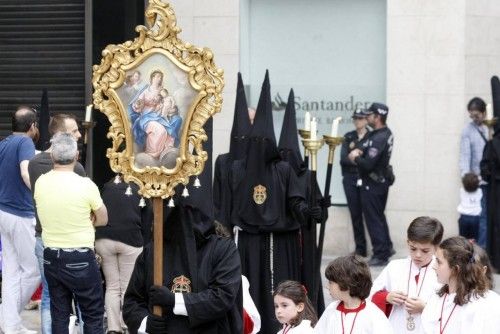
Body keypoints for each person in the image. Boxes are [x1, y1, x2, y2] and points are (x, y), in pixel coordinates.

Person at [229, 71, 321, 334]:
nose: (258, 147)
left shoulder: (282, 169)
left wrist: (307, 211)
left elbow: (295, 200)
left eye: (263, 142)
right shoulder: (237, 169)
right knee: (253, 289)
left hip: (281, 243)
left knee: (281, 290)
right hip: (250, 242)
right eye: (254, 142)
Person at [122, 193, 243, 334]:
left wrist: (175, 300)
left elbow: (223, 296)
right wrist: (145, 322)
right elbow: (132, 301)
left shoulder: (223, 249)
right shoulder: (153, 251)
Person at [34, 133, 108, 334]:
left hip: (51, 257)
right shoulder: (86, 185)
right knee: (92, 314)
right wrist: (89, 218)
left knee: (59, 314)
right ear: (77, 155)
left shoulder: (41, 183)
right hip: (80, 258)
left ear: (52, 157)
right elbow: (103, 219)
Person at [28, 113, 85, 334]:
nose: (79, 135)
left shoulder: (34, 164)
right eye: (74, 131)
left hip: (44, 236)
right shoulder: (76, 169)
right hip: (72, 238)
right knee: (80, 295)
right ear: (61, 136)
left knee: (49, 295)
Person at [278, 88, 328, 313]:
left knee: (307, 280)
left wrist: (319, 212)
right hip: (283, 243)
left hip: (304, 241)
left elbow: (319, 210)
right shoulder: (275, 177)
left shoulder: (307, 176)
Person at [0, 106, 41, 334]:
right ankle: (7, 317)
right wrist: (41, 192)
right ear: (32, 126)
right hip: (19, 214)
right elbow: (25, 171)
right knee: (33, 270)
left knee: (12, 272)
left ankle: (11, 324)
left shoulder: (3, 144)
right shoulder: (25, 143)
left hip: (3, 212)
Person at [95, 176, 153, 334]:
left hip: (103, 239)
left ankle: (113, 328)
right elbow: (147, 223)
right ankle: (126, 323)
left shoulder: (106, 186)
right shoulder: (141, 188)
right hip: (130, 240)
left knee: (112, 286)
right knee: (128, 286)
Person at [370, 216, 444, 333]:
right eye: (413, 248)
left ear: (436, 247)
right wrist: (387, 298)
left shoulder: (442, 271)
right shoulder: (394, 267)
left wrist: (425, 308)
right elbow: (370, 295)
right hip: (396, 327)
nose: (418, 255)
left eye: (425, 251)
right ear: (408, 242)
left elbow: (451, 307)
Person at [421, 236, 500, 333]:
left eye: (439, 262)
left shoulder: (486, 303)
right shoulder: (436, 298)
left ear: (456, 270)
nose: (433, 266)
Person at [348, 102, 394, 266]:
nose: (367, 117)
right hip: (376, 182)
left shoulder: (381, 136)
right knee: (378, 217)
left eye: (370, 115)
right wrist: (359, 150)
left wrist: (356, 157)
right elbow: (363, 146)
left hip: (374, 183)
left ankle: (380, 254)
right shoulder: (378, 134)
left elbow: (368, 164)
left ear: (378, 117)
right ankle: (386, 248)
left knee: (374, 219)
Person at [313, 255, 393, 333]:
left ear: (345, 284)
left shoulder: (374, 315)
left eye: (331, 282)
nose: (327, 286)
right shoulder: (331, 309)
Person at [340, 108, 370, 257]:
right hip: (351, 179)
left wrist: (356, 157)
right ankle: (360, 248)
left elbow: (371, 161)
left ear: (366, 119)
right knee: (356, 215)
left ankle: (379, 249)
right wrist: (359, 158)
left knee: (370, 214)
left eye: (360, 118)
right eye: (355, 118)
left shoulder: (372, 136)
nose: (357, 121)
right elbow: (343, 159)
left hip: (366, 180)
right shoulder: (349, 136)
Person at [460, 97, 488, 249]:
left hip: (493, 180)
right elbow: (464, 156)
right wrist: (467, 179)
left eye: (476, 115)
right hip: (478, 182)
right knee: (481, 218)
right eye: (471, 115)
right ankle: (480, 250)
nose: (474, 118)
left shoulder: (491, 127)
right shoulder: (468, 130)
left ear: (484, 112)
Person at [457, 173, 482, 241]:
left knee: (462, 239)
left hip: (463, 218)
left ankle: (463, 251)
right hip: (475, 218)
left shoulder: (462, 191)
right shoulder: (480, 191)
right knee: (474, 239)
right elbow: (480, 180)